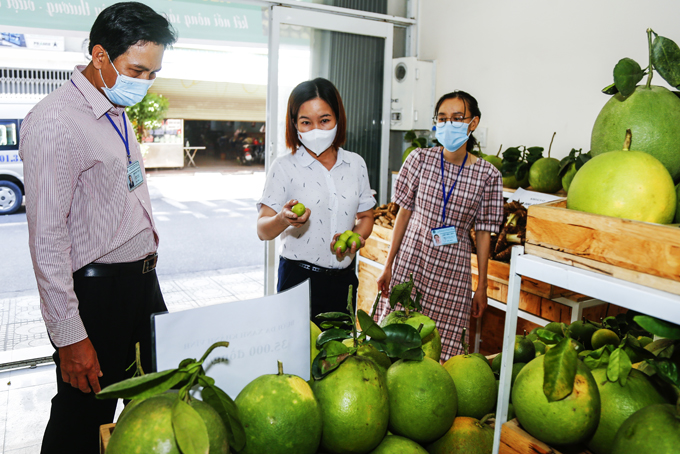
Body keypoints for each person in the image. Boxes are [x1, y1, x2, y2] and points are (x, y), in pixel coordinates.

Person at [18, 3, 176, 452]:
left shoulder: (114, 107)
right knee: (82, 419)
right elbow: (47, 240)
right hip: (97, 296)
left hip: (141, 285)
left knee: (153, 406)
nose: (144, 83)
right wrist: (71, 337)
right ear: (100, 55)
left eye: (153, 73)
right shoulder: (56, 121)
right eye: (137, 70)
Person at [376, 91, 503, 361]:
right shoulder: (420, 160)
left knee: (444, 348)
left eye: (457, 118)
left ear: (473, 123)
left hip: (452, 270)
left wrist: (481, 286)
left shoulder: (488, 175)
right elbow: (404, 214)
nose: (449, 124)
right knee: (395, 335)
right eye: (442, 119)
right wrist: (388, 265)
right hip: (412, 258)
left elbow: (483, 233)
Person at [257, 78, 375, 318]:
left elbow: (365, 216)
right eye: (305, 122)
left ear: (337, 118)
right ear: (294, 124)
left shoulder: (355, 164)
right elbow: (262, 230)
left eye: (324, 120)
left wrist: (357, 237)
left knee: (340, 352)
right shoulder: (284, 167)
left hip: (345, 281)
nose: (316, 130)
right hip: (299, 280)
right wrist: (283, 219)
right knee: (297, 354)